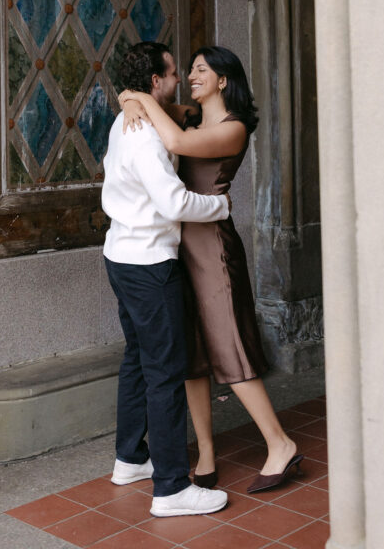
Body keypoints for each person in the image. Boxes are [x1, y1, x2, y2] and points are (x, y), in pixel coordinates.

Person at [120, 45, 303, 494]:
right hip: (179, 251)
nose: (191, 75)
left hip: (215, 251)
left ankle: (281, 445)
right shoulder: (188, 116)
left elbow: (176, 144)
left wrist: (139, 99)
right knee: (192, 357)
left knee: (229, 346)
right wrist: (133, 96)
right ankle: (204, 450)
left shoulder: (232, 128)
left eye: (202, 70)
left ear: (223, 80)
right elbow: (137, 99)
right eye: (189, 69)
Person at [102, 41, 230, 518]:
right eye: (173, 73)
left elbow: (171, 110)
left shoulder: (131, 118)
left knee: (137, 359)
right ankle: (172, 488)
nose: (179, 79)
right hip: (149, 265)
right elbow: (174, 203)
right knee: (165, 371)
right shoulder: (145, 134)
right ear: (155, 81)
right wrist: (219, 205)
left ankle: (130, 459)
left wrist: (132, 98)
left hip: (120, 256)